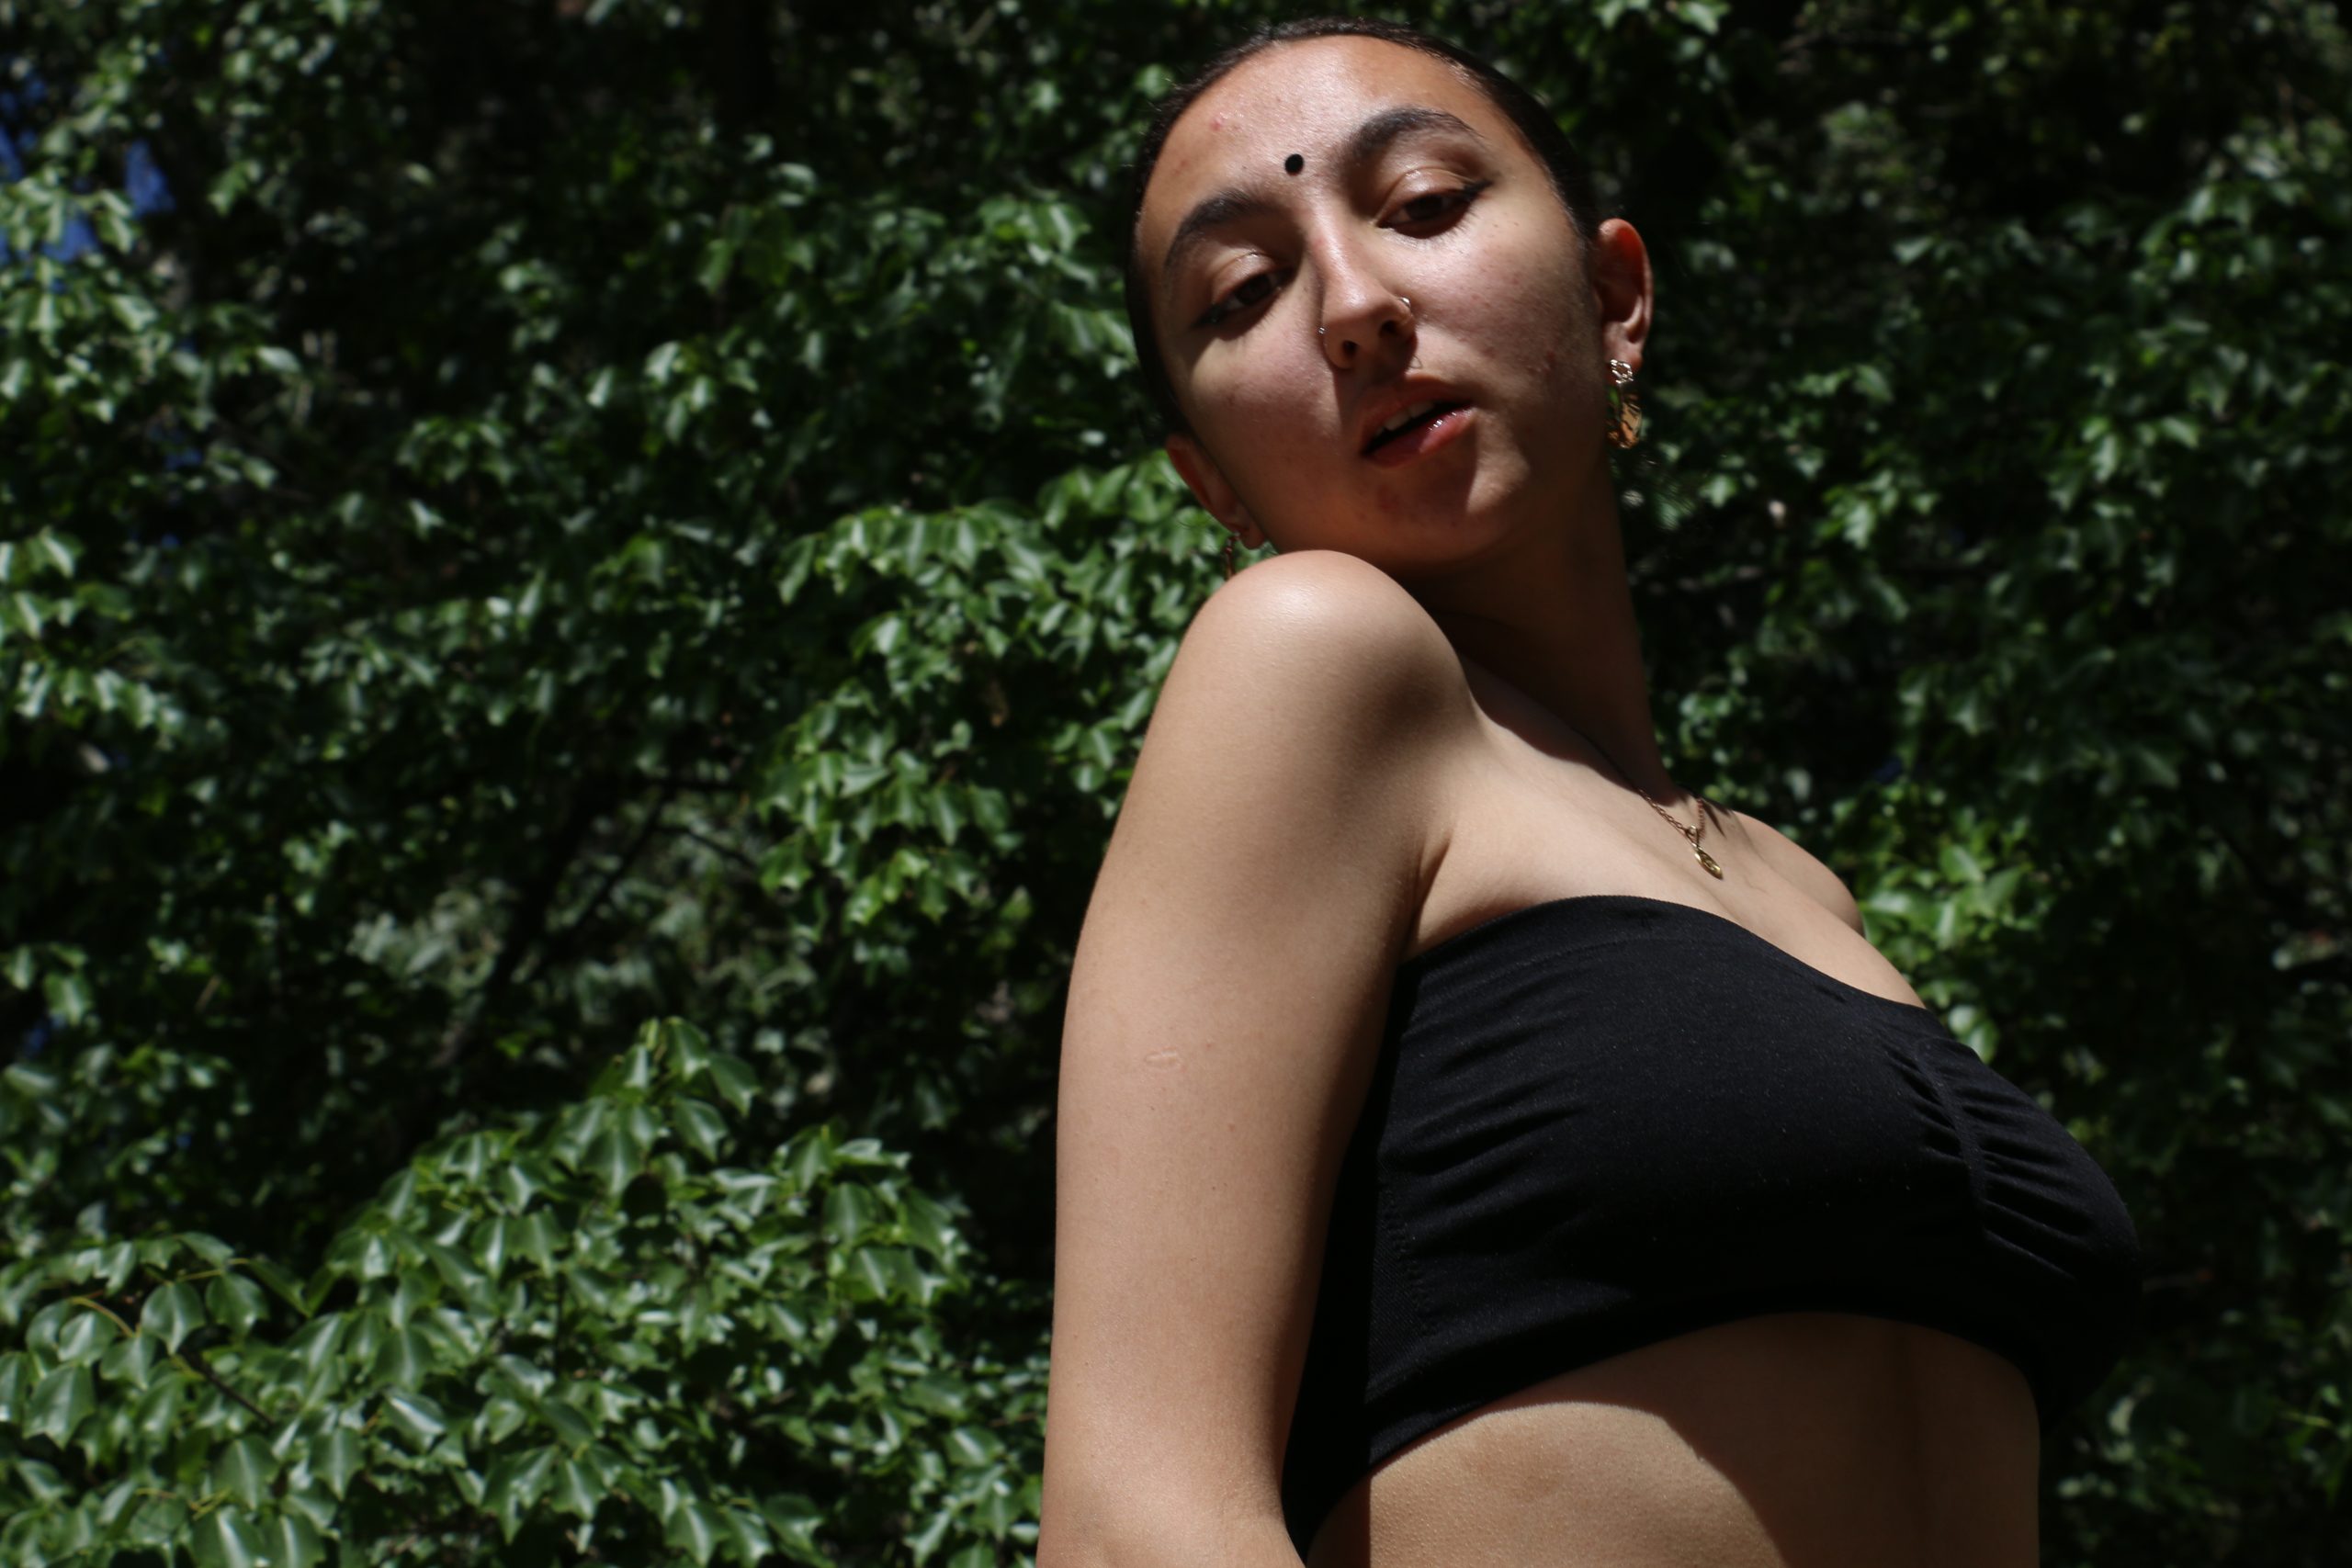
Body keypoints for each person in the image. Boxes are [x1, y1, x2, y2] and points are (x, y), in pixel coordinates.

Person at [1037, 17, 2141, 1568]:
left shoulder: (1799, 888)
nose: (1353, 306)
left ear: (1616, 295)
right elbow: (1133, 1522)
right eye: (1242, 293)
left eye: (1423, 204)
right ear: (1211, 483)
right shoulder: (1313, 659)